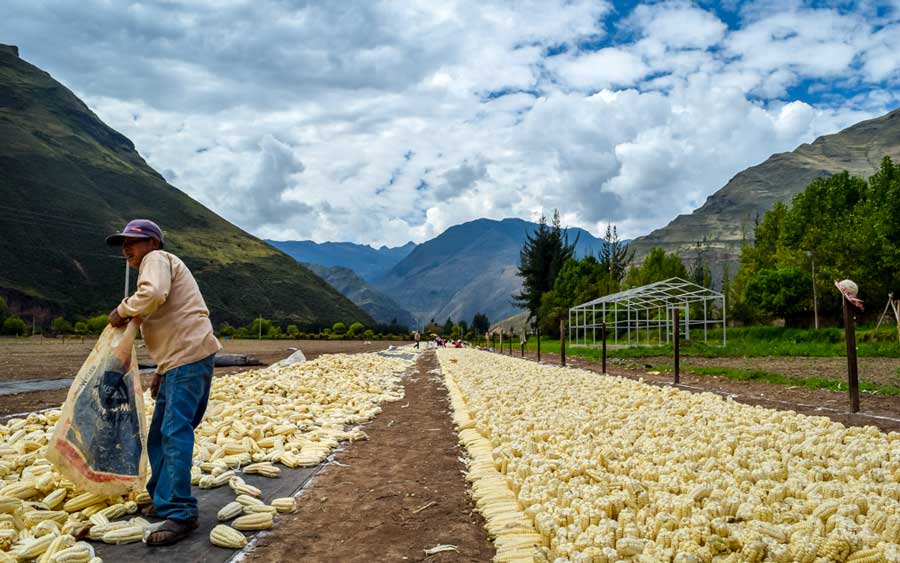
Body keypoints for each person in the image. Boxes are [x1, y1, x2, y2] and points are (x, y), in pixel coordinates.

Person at [106, 219, 221, 546]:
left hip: (189, 358)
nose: (127, 248)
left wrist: (123, 310)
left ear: (153, 243)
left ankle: (181, 512)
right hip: (179, 361)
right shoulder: (157, 263)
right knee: (159, 433)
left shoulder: (156, 261)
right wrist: (161, 370)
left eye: (133, 242)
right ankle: (163, 498)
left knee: (173, 432)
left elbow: (154, 294)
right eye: (123, 243)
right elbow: (167, 314)